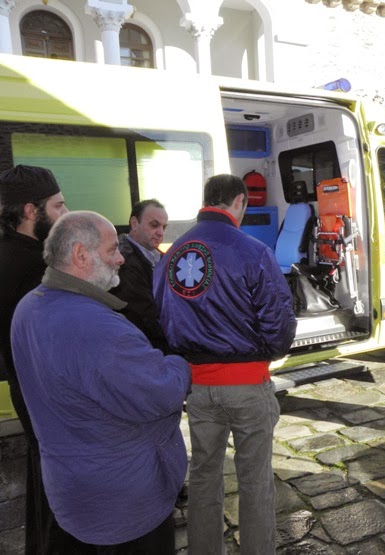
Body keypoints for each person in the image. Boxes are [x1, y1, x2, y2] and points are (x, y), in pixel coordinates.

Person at [10, 211, 191, 552]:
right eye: (112, 250)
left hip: (71, 494)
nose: (121, 257)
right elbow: (161, 393)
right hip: (125, 505)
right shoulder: (97, 327)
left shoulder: (28, 308)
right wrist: (180, 363)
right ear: (80, 255)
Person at [153, 174, 297, 555]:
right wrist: (268, 352)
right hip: (247, 385)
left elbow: (162, 317)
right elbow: (278, 319)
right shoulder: (252, 250)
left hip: (197, 387)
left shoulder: (171, 254)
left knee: (202, 476)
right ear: (238, 202)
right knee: (255, 482)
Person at [0, 164, 79, 554]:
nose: (65, 213)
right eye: (59, 205)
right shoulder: (35, 267)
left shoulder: (9, 254)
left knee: (42, 487)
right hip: (48, 402)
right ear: (32, 211)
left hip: (25, 395)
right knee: (61, 500)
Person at [110, 199, 169, 352]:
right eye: (154, 225)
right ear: (135, 223)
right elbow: (145, 316)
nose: (161, 233)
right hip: (142, 346)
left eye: (164, 227)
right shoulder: (123, 262)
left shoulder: (161, 258)